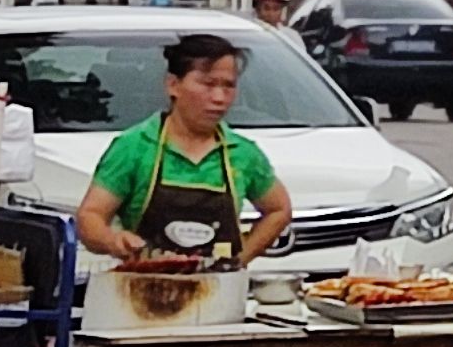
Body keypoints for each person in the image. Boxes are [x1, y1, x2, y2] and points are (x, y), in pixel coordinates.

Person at [75, 32, 293, 270]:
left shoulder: (243, 153)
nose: (219, 98)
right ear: (173, 85)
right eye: (208, 84)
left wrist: (239, 260)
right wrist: (113, 240)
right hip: (144, 288)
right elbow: (90, 217)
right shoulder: (134, 147)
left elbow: (279, 209)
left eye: (228, 86)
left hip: (220, 289)